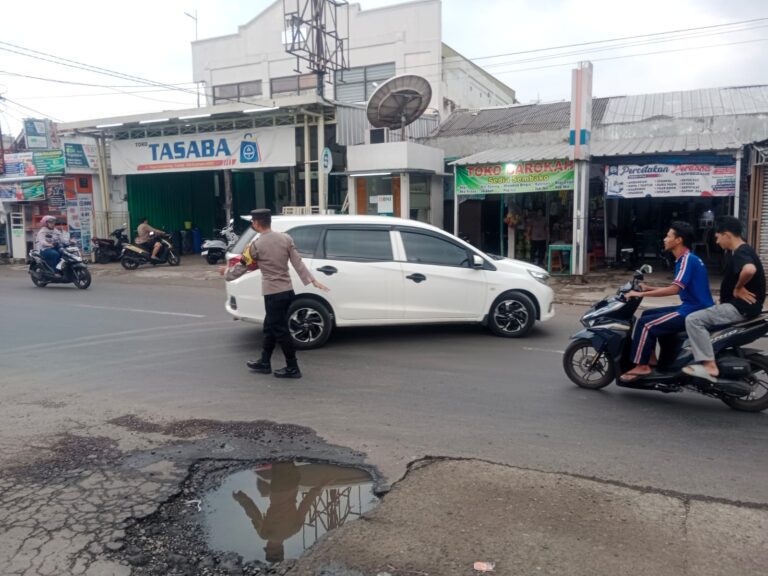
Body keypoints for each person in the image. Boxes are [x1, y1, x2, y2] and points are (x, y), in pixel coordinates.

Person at [620, 221, 714, 382]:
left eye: (668, 236)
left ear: (678, 240)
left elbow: (674, 290)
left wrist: (639, 294)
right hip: (693, 307)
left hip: (693, 311)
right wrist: (649, 288)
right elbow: (676, 285)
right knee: (647, 314)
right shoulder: (685, 259)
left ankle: (642, 366)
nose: (664, 239)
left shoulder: (686, 259)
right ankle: (652, 359)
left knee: (646, 325)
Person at [245, 209, 328, 379]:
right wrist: (312, 280)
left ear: (257, 223)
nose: (252, 224)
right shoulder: (285, 238)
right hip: (287, 291)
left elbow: (244, 264)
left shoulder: (257, 245)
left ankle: (293, 367)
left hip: (273, 293)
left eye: (253, 221)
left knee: (280, 330)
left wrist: (228, 273)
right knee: (269, 326)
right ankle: (264, 362)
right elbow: (298, 262)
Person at [683, 217, 766, 381]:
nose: (717, 240)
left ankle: (709, 365)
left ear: (727, 235)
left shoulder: (741, 251)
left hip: (740, 308)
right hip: (741, 306)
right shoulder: (744, 250)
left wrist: (738, 288)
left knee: (693, 320)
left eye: (718, 236)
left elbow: (749, 270)